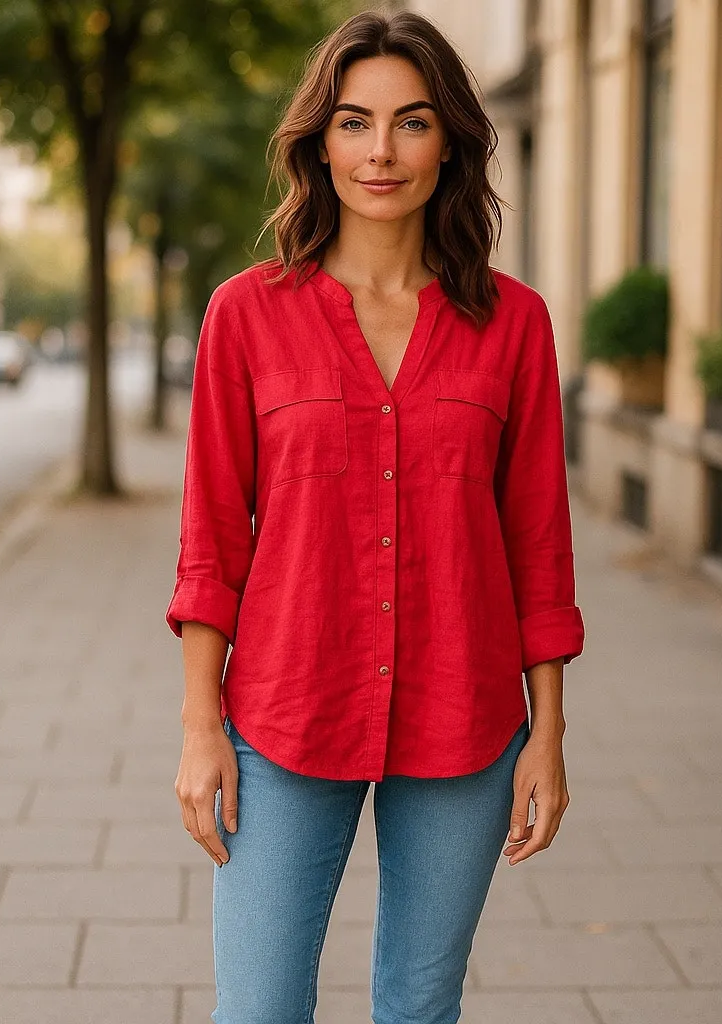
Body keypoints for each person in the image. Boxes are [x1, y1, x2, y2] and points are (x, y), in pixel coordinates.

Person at [166, 9, 585, 1023]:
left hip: (464, 715)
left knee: (419, 1005)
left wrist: (548, 734)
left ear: (450, 143)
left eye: (412, 122)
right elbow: (212, 539)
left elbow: (537, 543)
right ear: (320, 143)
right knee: (258, 1008)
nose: (382, 151)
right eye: (355, 122)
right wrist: (199, 725)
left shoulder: (514, 324)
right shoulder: (245, 314)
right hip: (286, 709)